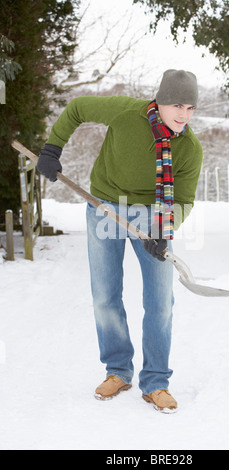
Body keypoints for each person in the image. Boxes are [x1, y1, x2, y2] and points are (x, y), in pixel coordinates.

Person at [38, 69, 203, 413]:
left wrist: (163, 229)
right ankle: (118, 370)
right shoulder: (127, 113)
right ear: (159, 101)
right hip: (104, 205)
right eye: (177, 105)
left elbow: (183, 199)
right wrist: (53, 148)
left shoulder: (189, 148)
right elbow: (78, 108)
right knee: (105, 296)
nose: (184, 115)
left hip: (152, 214)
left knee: (160, 302)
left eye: (190, 107)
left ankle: (156, 381)